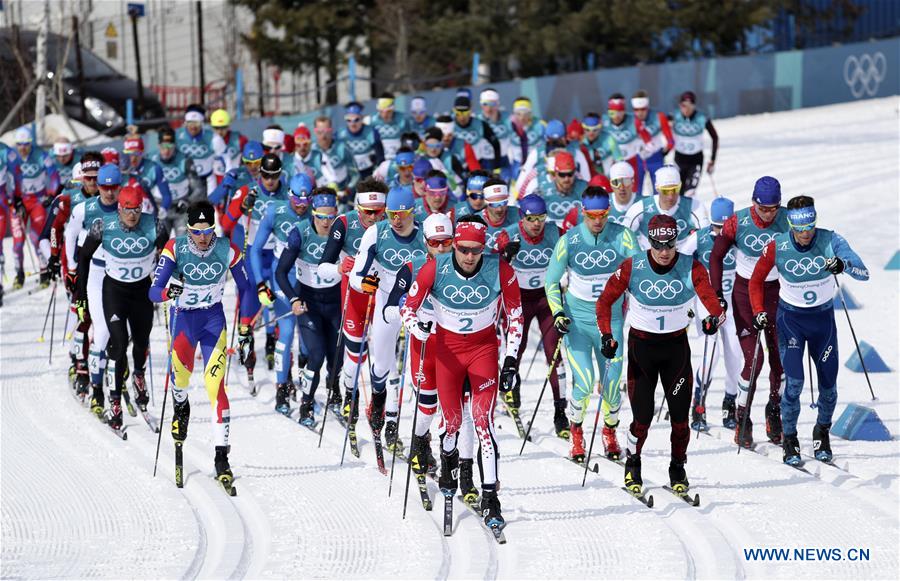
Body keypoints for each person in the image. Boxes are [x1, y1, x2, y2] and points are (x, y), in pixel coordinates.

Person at [401, 216, 524, 529]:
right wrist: (418, 327)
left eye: (477, 250)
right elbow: (407, 309)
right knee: (452, 423)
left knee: (483, 423)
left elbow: (516, 317)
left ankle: (490, 498)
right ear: (455, 244)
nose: (470, 256)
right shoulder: (434, 268)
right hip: (448, 354)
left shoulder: (499, 269)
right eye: (464, 249)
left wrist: (511, 361)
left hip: (483, 352)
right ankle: (446, 468)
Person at [597, 214, 724, 496]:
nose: (664, 252)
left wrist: (713, 318)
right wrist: (607, 335)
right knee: (642, 418)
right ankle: (633, 462)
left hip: (676, 350)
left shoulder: (692, 267)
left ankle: (677, 467)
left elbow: (712, 301)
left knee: (680, 418)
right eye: (658, 245)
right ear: (649, 242)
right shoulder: (633, 266)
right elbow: (605, 301)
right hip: (642, 349)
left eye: (670, 245)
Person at [749, 195, 868, 464]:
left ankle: (821, 432)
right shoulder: (777, 246)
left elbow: (864, 271)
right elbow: (755, 282)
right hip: (791, 321)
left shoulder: (830, 240)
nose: (805, 234)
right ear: (790, 225)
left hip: (822, 322)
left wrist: (843, 266)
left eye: (810, 227)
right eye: (800, 229)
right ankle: (789, 438)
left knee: (829, 387)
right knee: (794, 384)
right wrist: (758, 312)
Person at [149, 201, 259, 487]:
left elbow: (247, 288)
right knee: (181, 381)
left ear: (214, 227)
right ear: (188, 230)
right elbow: (152, 292)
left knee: (215, 387)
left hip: (212, 323)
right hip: (184, 322)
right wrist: (167, 291)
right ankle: (180, 406)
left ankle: (221, 457)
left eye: (207, 230)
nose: (202, 237)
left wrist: (246, 324)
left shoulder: (227, 249)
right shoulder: (175, 248)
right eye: (196, 232)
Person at [545, 187, 639, 460]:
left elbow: (640, 269)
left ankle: (610, 431)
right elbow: (551, 281)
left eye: (603, 214)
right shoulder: (570, 241)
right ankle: (576, 430)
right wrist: (558, 313)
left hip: (611, 322)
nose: (598, 221)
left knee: (611, 385)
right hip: (578, 322)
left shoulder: (623, 235)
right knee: (584, 383)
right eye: (592, 215)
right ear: (583, 212)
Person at [76, 185, 168, 428]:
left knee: (141, 341)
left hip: (141, 292)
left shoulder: (155, 225)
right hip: (115, 291)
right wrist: (80, 292)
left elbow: (169, 254)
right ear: (119, 208)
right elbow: (84, 256)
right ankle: (114, 402)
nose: (132, 216)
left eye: (136, 210)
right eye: (127, 210)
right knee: (117, 344)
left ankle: (138, 374)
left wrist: (168, 280)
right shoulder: (103, 225)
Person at [709, 176, 790, 448]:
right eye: (762, 208)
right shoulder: (738, 221)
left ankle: (774, 411)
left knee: (780, 359)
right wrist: (717, 295)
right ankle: (743, 416)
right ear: (753, 203)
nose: (767, 214)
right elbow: (715, 256)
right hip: (744, 294)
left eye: (773, 209)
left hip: (778, 293)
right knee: (753, 361)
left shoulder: (788, 219)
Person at [350, 186, 427, 451]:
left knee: (417, 371)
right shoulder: (376, 232)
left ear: (412, 212)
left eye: (402, 213)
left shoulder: (425, 233)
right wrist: (365, 284)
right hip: (386, 301)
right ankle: (378, 404)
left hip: (418, 304)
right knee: (382, 364)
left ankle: (399, 426)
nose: (396, 219)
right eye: (392, 213)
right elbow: (356, 275)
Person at [383, 213, 453, 479]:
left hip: (455, 346)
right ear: (425, 242)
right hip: (424, 344)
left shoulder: (465, 266)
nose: (441, 248)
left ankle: (451, 457)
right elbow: (390, 306)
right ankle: (420, 442)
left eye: (446, 242)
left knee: (454, 408)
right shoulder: (412, 266)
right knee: (427, 405)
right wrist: (409, 319)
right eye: (435, 243)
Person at [495, 194, 569, 436]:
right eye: (530, 218)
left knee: (554, 353)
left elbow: (571, 257)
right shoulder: (507, 234)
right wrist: (504, 256)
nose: (536, 224)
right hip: (520, 300)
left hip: (547, 298)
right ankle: (511, 389)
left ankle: (561, 411)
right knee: (518, 347)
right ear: (522, 217)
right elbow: (487, 267)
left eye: (540, 218)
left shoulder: (555, 232)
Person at [318, 179, 388, 415]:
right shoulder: (344, 223)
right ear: (358, 208)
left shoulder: (392, 223)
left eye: (379, 212)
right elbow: (322, 267)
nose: (373, 217)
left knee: (381, 352)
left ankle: (383, 408)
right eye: (368, 212)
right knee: (355, 352)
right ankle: (350, 394)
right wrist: (339, 268)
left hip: (382, 291)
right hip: (354, 292)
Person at [222, 153, 290, 386]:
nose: (270, 180)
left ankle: (276, 342)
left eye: (274, 175)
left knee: (281, 298)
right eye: (265, 175)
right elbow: (225, 224)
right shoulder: (248, 191)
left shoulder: (287, 193)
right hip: (254, 253)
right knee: (251, 295)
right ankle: (246, 347)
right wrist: (241, 207)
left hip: (279, 254)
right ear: (259, 173)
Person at [276, 188, 342, 426]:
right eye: (321, 216)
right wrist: (294, 299)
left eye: (330, 217)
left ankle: (334, 391)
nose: (326, 222)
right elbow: (281, 272)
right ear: (313, 214)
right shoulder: (300, 233)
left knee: (337, 357)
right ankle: (306, 404)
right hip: (309, 303)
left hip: (336, 304)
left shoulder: (342, 231)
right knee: (316, 354)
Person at [64, 163, 123, 414]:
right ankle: (95, 387)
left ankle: (118, 378)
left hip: (120, 277)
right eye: (104, 187)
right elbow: (70, 236)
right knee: (100, 330)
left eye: (114, 187)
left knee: (123, 335)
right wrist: (71, 267)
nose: (109, 192)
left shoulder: (127, 208)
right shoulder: (83, 208)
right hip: (95, 274)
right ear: (96, 186)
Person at [251, 173, 313, 411]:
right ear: (289, 195)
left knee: (307, 337)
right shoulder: (274, 211)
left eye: (306, 202)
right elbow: (256, 249)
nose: (301, 206)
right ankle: (281, 388)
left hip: (307, 279)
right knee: (286, 332)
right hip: (282, 276)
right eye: (297, 201)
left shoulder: (316, 212)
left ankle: (304, 382)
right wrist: (259, 283)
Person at [682, 197, 742, 430]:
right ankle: (698, 403)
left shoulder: (739, 238)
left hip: (734, 305)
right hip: (706, 303)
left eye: (724, 228)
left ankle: (730, 402)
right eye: (716, 227)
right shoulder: (700, 237)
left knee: (735, 355)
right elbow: (679, 258)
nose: (719, 233)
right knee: (711, 354)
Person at [9, 126, 55, 288]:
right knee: (18, 243)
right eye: (19, 144)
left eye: (26, 144)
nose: (23, 148)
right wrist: (15, 200)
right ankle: (19, 274)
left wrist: (51, 193)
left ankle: (44, 271)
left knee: (37, 238)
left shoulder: (41, 155)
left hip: (37, 201)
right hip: (18, 203)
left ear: (31, 143)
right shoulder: (12, 157)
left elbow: (54, 176)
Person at [623, 164, 708, 251]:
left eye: (675, 189)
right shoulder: (640, 207)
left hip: (682, 258)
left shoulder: (694, 206)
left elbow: (706, 235)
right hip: (649, 259)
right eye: (665, 191)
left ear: (680, 186)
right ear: (657, 188)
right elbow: (623, 236)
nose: (670, 196)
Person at [671, 91, 719, 197]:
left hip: (695, 160)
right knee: (675, 193)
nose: (686, 109)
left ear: (694, 106)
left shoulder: (702, 118)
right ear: (680, 105)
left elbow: (715, 137)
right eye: (683, 106)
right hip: (679, 159)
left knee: (689, 194)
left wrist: (712, 160)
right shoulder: (675, 116)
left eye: (689, 106)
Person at [151, 127, 194, 232]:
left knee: (183, 244)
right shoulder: (151, 159)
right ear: (158, 145)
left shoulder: (185, 160)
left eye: (170, 146)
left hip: (180, 209)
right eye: (163, 146)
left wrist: (187, 201)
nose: (166, 151)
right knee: (159, 244)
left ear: (175, 145)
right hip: (160, 207)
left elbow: (197, 186)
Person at [631, 90, 674, 193]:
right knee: (636, 192)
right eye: (636, 110)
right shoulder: (630, 119)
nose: (640, 113)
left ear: (647, 107)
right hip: (637, 159)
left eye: (643, 109)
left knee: (658, 190)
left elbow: (670, 140)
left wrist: (664, 152)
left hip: (655, 158)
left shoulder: (659, 116)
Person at [314, 116, 359, 207]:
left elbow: (355, 174)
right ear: (315, 132)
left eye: (326, 131)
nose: (323, 135)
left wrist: (347, 191)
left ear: (331, 130)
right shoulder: (312, 152)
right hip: (320, 200)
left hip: (342, 198)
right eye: (320, 132)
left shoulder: (342, 148)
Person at [602, 94, 643, 192]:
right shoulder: (604, 121)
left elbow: (646, 137)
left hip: (631, 160)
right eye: (612, 113)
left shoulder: (633, 120)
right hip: (612, 162)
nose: (616, 117)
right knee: (611, 189)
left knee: (634, 189)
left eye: (620, 113)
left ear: (624, 111)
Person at [123, 135, 171, 218]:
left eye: (137, 153)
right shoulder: (121, 168)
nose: (133, 158)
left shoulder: (154, 168)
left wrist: (163, 209)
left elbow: (167, 195)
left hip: (147, 211)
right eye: (130, 154)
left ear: (142, 153)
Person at [452, 94, 501, 173]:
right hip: (457, 166)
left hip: (477, 164)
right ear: (454, 111)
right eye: (458, 113)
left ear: (470, 111)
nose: (462, 117)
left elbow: (496, 144)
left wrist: (497, 166)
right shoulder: (449, 125)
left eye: (465, 113)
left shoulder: (480, 124)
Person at [176, 104, 218, 196]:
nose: (193, 127)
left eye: (197, 123)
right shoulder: (177, 136)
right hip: (184, 181)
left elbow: (225, 158)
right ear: (185, 122)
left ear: (202, 123)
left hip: (205, 181)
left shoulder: (212, 136)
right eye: (190, 123)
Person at [540, 151, 588, 226]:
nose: (566, 179)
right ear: (555, 174)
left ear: (575, 172)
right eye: (562, 175)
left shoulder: (586, 188)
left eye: (570, 174)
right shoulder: (542, 191)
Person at [338, 101, 384, 179]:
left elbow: (380, 155)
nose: (353, 124)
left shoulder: (371, 132)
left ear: (361, 118)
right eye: (349, 120)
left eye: (356, 120)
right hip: (350, 174)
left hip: (369, 171)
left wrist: (377, 169)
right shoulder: (340, 134)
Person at [477, 88, 513, 180]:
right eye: (485, 104)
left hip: (504, 160)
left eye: (492, 104)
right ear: (481, 105)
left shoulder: (508, 118)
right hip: (484, 161)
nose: (489, 108)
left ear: (498, 104)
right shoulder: (476, 120)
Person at [508, 97, 544, 177]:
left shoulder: (540, 125)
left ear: (530, 113)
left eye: (525, 114)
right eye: (518, 114)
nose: (522, 118)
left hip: (535, 166)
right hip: (515, 167)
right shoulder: (508, 125)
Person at [479, 178, 518, 249]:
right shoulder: (474, 222)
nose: (499, 209)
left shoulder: (519, 215)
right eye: (494, 204)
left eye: (503, 202)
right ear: (485, 202)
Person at [369, 93, 409, 161]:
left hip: (400, 158)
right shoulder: (372, 121)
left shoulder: (402, 119)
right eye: (381, 112)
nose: (385, 115)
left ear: (393, 109)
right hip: (381, 159)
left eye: (388, 112)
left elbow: (409, 139)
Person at [210, 108, 246, 176]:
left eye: (223, 127)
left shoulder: (240, 140)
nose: (220, 131)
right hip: (216, 181)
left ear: (228, 126)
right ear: (212, 127)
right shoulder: (208, 141)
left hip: (235, 179)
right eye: (217, 128)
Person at [606, 161, 641, 226]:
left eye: (626, 182)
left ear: (632, 182)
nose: (621, 188)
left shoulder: (644, 204)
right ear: (611, 185)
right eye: (616, 183)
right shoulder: (603, 204)